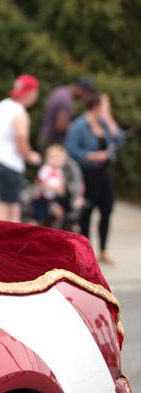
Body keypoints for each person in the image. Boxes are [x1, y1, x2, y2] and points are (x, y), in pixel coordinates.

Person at [66, 93, 125, 265]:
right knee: (86, 212)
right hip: (88, 173)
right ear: (96, 106)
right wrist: (91, 155)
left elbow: (119, 140)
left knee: (106, 210)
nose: (108, 108)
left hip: (106, 173)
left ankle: (103, 251)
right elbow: (71, 149)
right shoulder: (79, 125)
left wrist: (111, 121)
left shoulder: (105, 123)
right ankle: (86, 253)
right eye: (106, 104)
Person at [0, 74, 42, 222]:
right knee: (7, 206)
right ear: (31, 93)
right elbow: (21, 141)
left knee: (13, 206)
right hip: (10, 164)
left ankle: (9, 240)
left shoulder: (2, 105)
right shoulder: (20, 113)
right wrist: (31, 156)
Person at [38, 77, 97, 151]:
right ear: (81, 89)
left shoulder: (60, 91)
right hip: (52, 142)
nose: (84, 97)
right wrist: (79, 130)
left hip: (46, 137)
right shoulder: (65, 100)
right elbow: (61, 126)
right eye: (86, 93)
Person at [30, 144, 68, 226]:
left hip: (52, 199)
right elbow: (41, 184)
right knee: (38, 218)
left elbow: (61, 187)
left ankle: (56, 229)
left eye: (59, 159)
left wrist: (60, 190)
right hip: (41, 198)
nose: (56, 161)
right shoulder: (45, 170)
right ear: (47, 159)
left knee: (59, 212)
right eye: (53, 158)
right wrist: (53, 188)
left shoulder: (60, 172)